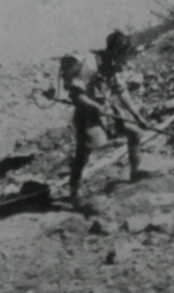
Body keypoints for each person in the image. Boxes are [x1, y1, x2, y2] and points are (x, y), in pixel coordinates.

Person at [60, 30, 149, 207]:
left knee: (135, 133)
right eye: (123, 53)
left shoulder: (113, 65)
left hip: (107, 110)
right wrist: (95, 106)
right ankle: (75, 192)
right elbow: (76, 96)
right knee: (84, 151)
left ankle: (135, 173)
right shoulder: (90, 65)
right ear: (114, 50)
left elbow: (122, 92)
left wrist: (137, 116)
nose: (125, 58)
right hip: (87, 113)